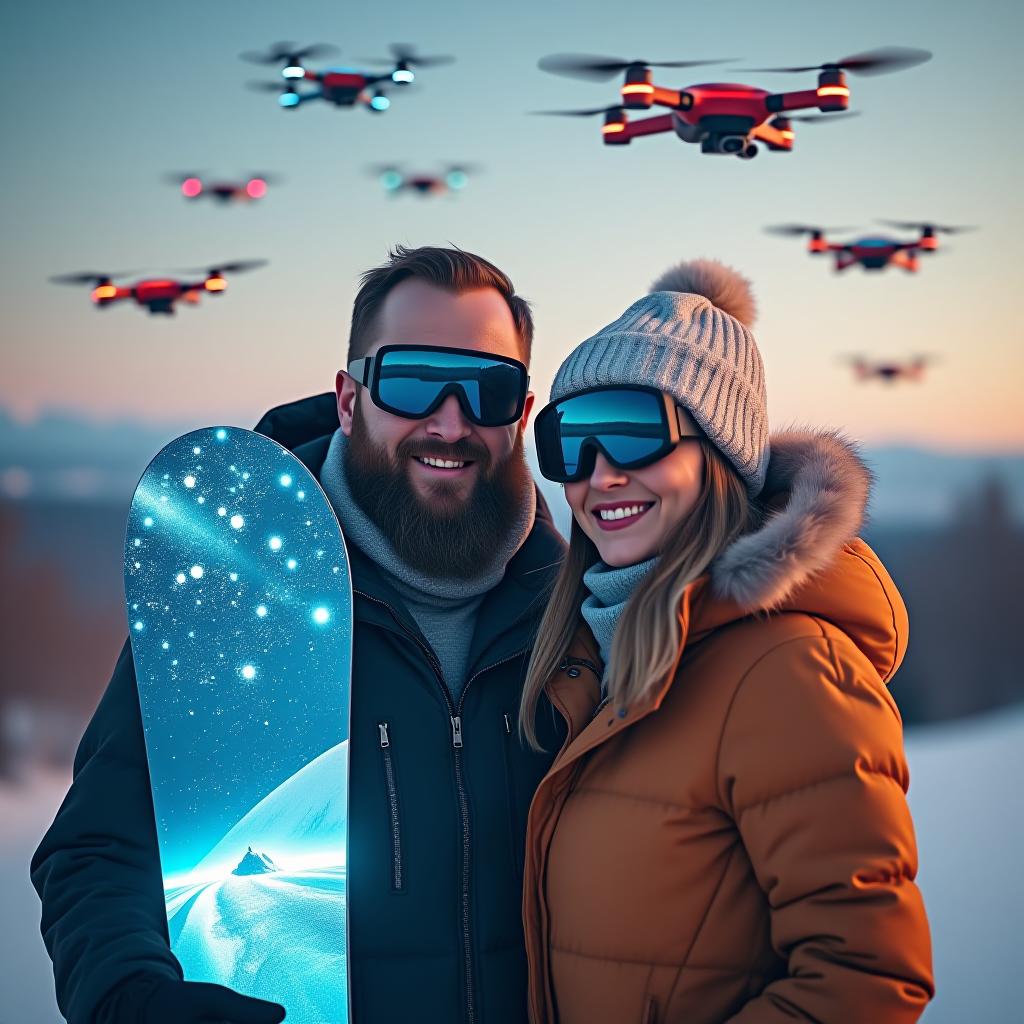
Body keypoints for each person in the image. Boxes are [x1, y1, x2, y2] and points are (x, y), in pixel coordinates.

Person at [31, 246, 568, 1024]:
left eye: (489, 389)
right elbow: (98, 851)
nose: (451, 422)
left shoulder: (573, 618)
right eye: (414, 381)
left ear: (520, 413)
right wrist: (129, 995)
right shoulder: (237, 599)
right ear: (350, 399)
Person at [519, 259, 934, 1023]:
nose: (600, 475)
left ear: (720, 457)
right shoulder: (592, 654)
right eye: (572, 441)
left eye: (636, 434)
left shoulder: (790, 670)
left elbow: (868, 979)